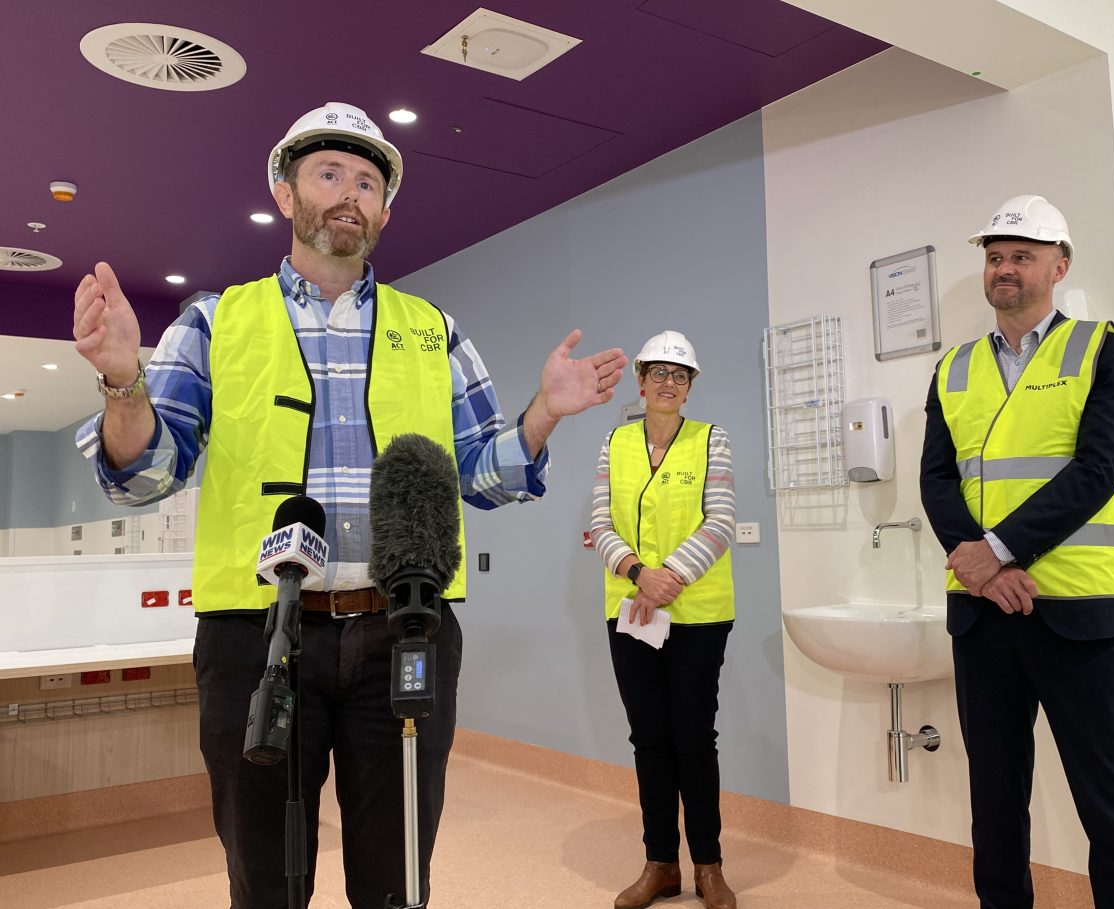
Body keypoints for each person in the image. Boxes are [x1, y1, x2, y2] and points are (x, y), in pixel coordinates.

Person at [71, 101, 626, 908]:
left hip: (405, 631)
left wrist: (543, 413)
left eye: (367, 181)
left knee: (397, 876)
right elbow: (147, 473)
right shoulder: (215, 321)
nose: (349, 193)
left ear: (385, 212)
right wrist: (126, 381)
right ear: (285, 191)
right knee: (265, 875)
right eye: (329, 172)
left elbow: (482, 475)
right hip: (256, 638)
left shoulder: (433, 330)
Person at [919, 195, 1114, 908]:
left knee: (1111, 807)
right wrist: (980, 568)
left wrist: (995, 549)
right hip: (984, 617)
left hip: (1082, 612)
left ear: (1059, 266)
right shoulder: (954, 367)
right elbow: (936, 476)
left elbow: (1099, 468)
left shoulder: (1102, 349)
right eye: (995, 256)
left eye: (1021, 255)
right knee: (994, 808)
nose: (1004, 268)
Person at [590, 331, 737, 909]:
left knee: (694, 738)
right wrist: (635, 572)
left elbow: (720, 521)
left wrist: (667, 576)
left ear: (690, 385)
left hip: (698, 613)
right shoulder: (615, 442)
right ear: (641, 380)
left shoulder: (711, 440)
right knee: (649, 739)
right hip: (629, 608)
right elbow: (600, 521)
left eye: (681, 375)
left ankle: (708, 865)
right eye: (659, 373)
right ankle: (659, 864)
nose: (669, 383)